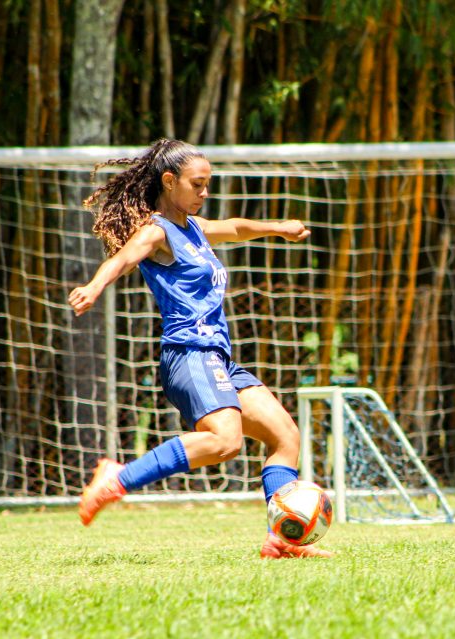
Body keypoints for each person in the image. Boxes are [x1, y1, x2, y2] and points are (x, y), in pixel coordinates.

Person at [68, 138, 332, 559]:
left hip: (217, 357)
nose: (204, 192)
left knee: (284, 435)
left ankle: (281, 540)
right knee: (225, 441)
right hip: (189, 353)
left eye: (208, 184)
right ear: (169, 181)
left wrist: (278, 228)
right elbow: (124, 258)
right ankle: (117, 478)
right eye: (197, 184)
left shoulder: (194, 228)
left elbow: (235, 227)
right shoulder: (157, 230)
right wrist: (94, 286)